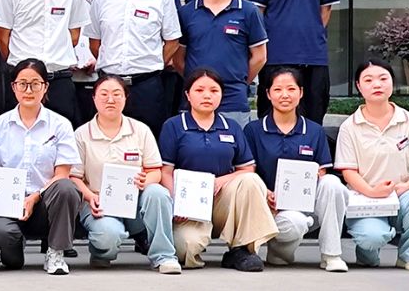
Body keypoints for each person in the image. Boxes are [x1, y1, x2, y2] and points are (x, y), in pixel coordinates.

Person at [158, 68, 277, 271]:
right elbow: (165, 171)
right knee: (185, 248)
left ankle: (242, 249)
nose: (207, 95)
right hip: (190, 206)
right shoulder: (174, 126)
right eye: (199, 90)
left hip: (223, 199)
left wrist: (220, 181)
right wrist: (175, 203)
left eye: (214, 90)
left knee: (251, 181)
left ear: (221, 95)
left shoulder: (231, 127)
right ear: (188, 95)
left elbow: (247, 168)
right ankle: (196, 243)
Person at [334, 59, 409, 270]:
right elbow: (348, 171)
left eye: (383, 78)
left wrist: (407, 186)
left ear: (392, 83)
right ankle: (367, 252)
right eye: (368, 80)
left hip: (402, 196)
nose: (377, 84)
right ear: (358, 86)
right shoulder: (350, 126)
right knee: (372, 237)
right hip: (365, 200)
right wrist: (371, 191)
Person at [70, 75, 180, 273]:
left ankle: (164, 256)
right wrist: (90, 196)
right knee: (108, 236)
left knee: (158, 193)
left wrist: (146, 180)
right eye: (104, 94)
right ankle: (102, 252)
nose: (110, 100)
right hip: (99, 204)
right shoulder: (81, 134)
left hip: (135, 202)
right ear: (93, 98)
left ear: (126, 98)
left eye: (117, 94)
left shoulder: (140, 130)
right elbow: (74, 177)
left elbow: (155, 170)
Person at [0, 59, 83, 274]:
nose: (28, 90)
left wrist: (35, 196)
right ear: (13, 87)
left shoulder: (60, 124)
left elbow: (62, 174)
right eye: (22, 84)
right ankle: (14, 245)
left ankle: (56, 252)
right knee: (1, 236)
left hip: (46, 203)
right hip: (9, 205)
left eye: (35, 84)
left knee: (66, 188)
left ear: (45, 87)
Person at [244, 68, 349, 271]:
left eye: (291, 89)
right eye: (278, 89)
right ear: (268, 94)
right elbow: (248, 171)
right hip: (268, 207)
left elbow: (322, 171)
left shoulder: (314, 131)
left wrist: (311, 179)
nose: (285, 95)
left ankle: (331, 255)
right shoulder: (254, 130)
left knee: (332, 183)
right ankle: (280, 251)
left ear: (301, 92)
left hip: (305, 204)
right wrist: (265, 193)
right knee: (295, 223)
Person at [85, 0, 181, 133]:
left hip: (147, 86)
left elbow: (172, 41)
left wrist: (153, 61)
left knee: (148, 139)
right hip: (110, 84)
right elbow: (95, 42)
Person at [176, 0, 267, 125]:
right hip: (194, 101)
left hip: (234, 100)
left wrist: (239, 81)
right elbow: (179, 59)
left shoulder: (248, 11)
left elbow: (260, 56)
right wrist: (198, 83)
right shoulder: (186, 13)